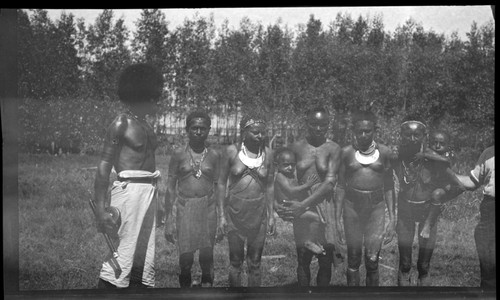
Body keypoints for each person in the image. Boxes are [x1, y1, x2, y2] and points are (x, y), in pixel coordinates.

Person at [94, 63, 163, 288]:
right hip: (128, 191)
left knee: (145, 256)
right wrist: (101, 209)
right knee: (123, 254)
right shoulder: (121, 123)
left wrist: (157, 202)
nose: (156, 102)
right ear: (141, 95)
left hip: (150, 192)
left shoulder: (147, 126)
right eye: (153, 98)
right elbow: (104, 166)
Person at [335, 110, 396, 286]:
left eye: (367, 131)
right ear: (353, 131)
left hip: (375, 209)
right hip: (352, 208)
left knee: (372, 259)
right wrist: (338, 219)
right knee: (353, 258)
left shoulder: (384, 153)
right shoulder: (346, 153)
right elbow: (339, 186)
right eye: (359, 131)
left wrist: (392, 218)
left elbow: (390, 187)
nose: (363, 135)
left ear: (374, 130)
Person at [393, 115, 454, 286]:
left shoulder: (433, 156)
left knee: (424, 266)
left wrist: (441, 195)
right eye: (407, 135)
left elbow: (451, 175)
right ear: (401, 135)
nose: (412, 139)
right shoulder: (397, 155)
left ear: (424, 136)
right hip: (406, 211)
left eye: (416, 135)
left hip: (428, 211)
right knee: (404, 265)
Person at [284, 106, 341, 287]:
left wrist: (305, 204)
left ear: (328, 125)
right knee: (303, 257)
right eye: (314, 124)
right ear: (307, 123)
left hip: (325, 205)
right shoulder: (296, 147)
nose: (318, 129)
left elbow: (330, 182)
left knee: (325, 256)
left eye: (323, 125)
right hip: (303, 208)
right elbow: (287, 180)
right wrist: (291, 206)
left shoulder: (333, 148)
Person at [216, 114, 275, 287]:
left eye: (263, 133)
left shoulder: (268, 154)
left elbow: (270, 186)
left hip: (259, 214)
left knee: (255, 262)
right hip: (235, 214)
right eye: (256, 132)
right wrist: (221, 216)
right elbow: (220, 184)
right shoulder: (231, 152)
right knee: (235, 262)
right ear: (244, 132)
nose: (260, 136)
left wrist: (271, 216)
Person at [164, 110, 220, 287]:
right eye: (194, 128)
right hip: (185, 208)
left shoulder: (214, 156)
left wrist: (223, 217)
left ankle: (207, 289)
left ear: (209, 130)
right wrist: (168, 221)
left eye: (202, 128)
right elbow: (170, 188)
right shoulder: (179, 155)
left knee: (207, 257)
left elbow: (219, 187)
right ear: (187, 129)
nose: (198, 132)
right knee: (185, 260)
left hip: (208, 209)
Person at [456, 146, 495, 288]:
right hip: (490, 214)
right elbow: (473, 182)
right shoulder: (489, 153)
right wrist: (444, 174)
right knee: (489, 271)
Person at [273, 147, 324, 254]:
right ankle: (309, 242)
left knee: (313, 217)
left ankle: (313, 240)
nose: (290, 167)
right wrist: (307, 185)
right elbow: (290, 190)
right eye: (286, 165)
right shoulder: (280, 176)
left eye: (292, 164)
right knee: (315, 218)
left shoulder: (290, 175)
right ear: (277, 166)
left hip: (293, 205)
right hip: (287, 207)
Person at [419, 130, 465, 239]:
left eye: (442, 144)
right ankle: (458, 184)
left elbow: (445, 161)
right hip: (428, 187)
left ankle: (428, 224)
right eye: (435, 143)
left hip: (441, 187)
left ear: (448, 146)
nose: (437, 146)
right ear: (430, 143)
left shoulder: (445, 156)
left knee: (438, 193)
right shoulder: (427, 150)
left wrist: (424, 155)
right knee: (438, 192)